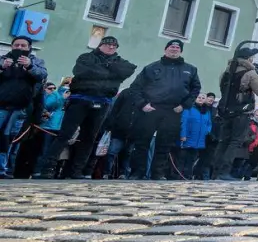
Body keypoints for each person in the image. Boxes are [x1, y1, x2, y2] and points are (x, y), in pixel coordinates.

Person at [53, 36, 135, 179]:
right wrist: (109, 72)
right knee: (65, 134)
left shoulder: (120, 62)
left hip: (102, 102)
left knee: (89, 138)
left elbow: (128, 70)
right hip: (80, 99)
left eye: (114, 46)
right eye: (108, 45)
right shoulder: (87, 57)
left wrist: (103, 71)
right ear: (101, 45)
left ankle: (76, 171)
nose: (111, 48)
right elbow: (81, 71)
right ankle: (47, 168)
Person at [123, 40, 201, 180]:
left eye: (177, 47)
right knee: (142, 143)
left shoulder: (190, 69)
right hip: (151, 108)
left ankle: (158, 173)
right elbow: (135, 87)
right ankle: (137, 172)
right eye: (172, 47)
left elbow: (195, 90)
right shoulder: (151, 68)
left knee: (165, 144)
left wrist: (184, 105)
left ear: (181, 51)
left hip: (173, 110)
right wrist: (142, 104)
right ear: (165, 49)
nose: (174, 49)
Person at [212, 43, 258, 180]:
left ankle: (215, 171)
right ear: (248, 59)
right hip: (241, 111)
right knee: (235, 141)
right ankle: (224, 172)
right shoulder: (249, 73)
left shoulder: (225, 72)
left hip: (225, 110)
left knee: (223, 141)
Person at [0, 36, 46, 178]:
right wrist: (2, 67)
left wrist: (29, 66)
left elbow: (42, 75)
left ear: (29, 47)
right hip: (2, 104)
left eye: (23, 45)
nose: (19, 48)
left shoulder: (36, 61)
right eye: (16, 45)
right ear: (12, 46)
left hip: (21, 107)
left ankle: (4, 168)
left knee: (10, 139)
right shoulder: (3, 59)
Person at [30, 80, 65, 178]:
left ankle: (50, 171)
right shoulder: (56, 96)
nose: (52, 90)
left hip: (59, 127)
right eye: (50, 88)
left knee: (56, 152)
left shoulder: (62, 96)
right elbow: (46, 105)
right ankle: (37, 170)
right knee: (44, 150)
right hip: (48, 127)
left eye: (54, 88)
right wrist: (62, 98)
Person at [178, 94, 212, 178]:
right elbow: (183, 122)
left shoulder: (206, 111)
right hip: (188, 138)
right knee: (183, 158)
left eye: (203, 98)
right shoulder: (189, 108)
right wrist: (183, 135)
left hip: (199, 140)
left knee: (192, 159)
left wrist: (207, 131)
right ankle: (179, 175)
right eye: (199, 97)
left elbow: (209, 124)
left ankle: (188, 175)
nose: (200, 99)